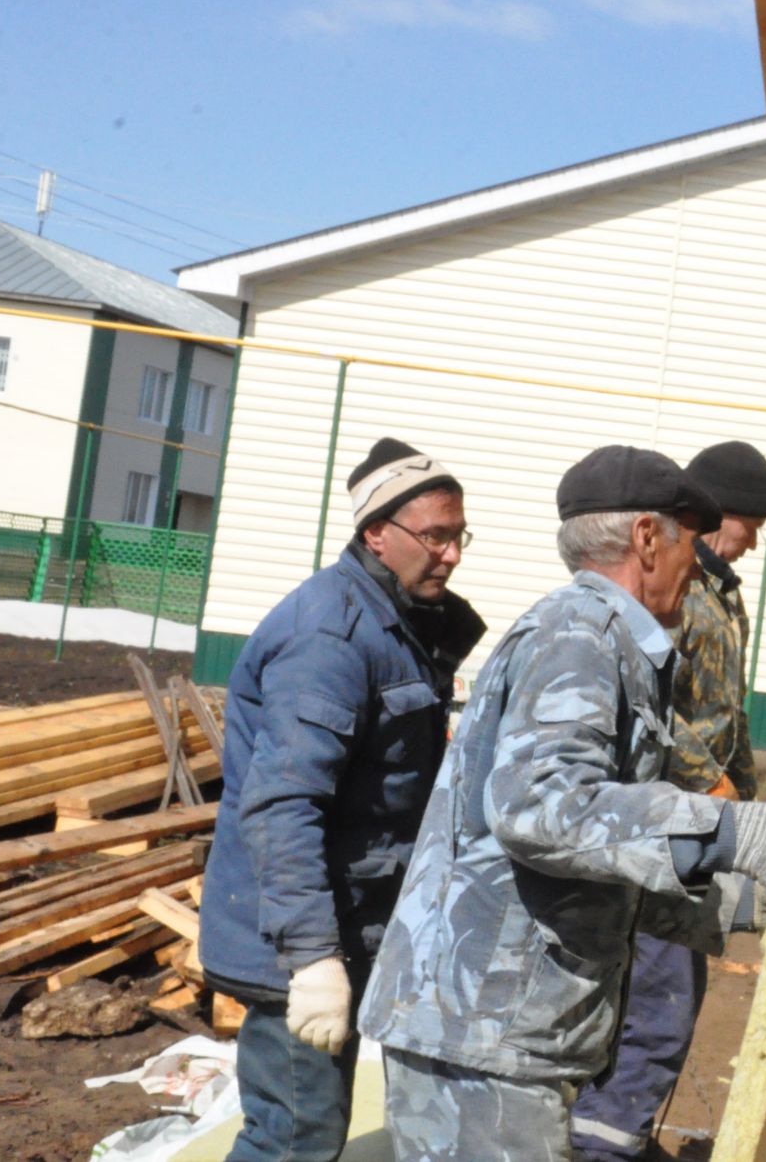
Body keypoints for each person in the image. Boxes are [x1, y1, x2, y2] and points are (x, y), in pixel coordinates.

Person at [359, 446, 766, 1162]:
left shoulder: (609, 638)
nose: (697, 563)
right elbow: (542, 810)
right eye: (687, 540)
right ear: (647, 537)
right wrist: (725, 828)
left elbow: (588, 855)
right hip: (483, 1030)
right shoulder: (581, 636)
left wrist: (729, 900)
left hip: (500, 1024)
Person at [200, 437, 486, 1162]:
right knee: (294, 1137)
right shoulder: (330, 636)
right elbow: (282, 805)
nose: (451, 554)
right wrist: (313, 960)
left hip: (351, 923)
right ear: (375, 534)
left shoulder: (399, 624)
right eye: (435, 536)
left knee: (307, 1131)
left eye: (459, 536)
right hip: (293, 941)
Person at [570, 440, 766, 1161]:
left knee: (668, 999)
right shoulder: (667, 596)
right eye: (752, 525)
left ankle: (618, 1135)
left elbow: (728, 715)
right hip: (660, 826)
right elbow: (656, 712)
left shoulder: (719, 596)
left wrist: (744, 802)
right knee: (657, 1004)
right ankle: (603, 1143)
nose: (753, 542)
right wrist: (711, 792)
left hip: (698, 825)